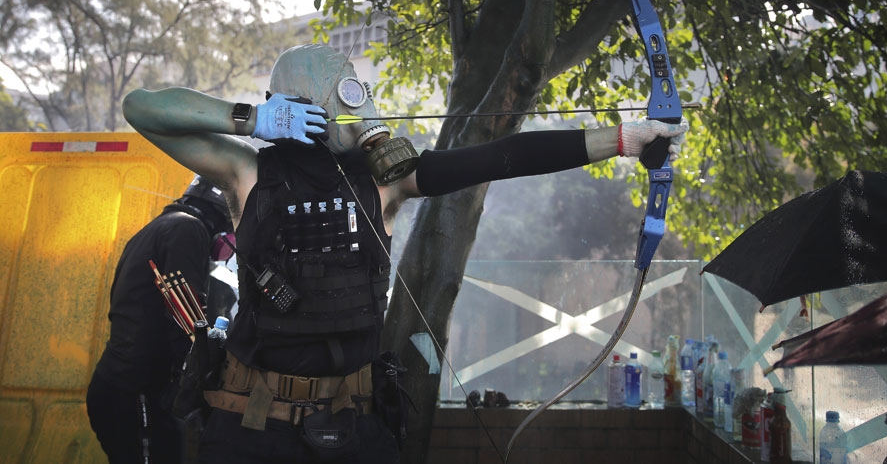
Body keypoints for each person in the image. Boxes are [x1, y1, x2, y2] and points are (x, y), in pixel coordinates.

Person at [121, 43, 688, 464]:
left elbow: (501, 156)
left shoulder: (386, 182)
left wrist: (622, 139)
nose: (358, 104)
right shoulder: (247, 172)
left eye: (356, 91)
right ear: (301, 101)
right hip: (252, 429)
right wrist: (251, 118)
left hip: (354, 428)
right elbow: (142, 108)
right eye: (344, 91)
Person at [87, 176, 234, 464]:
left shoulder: (160, 227)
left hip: (121, 387)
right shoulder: (188, 229)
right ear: (220, 214)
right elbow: (187, 317)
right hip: (134, 394)